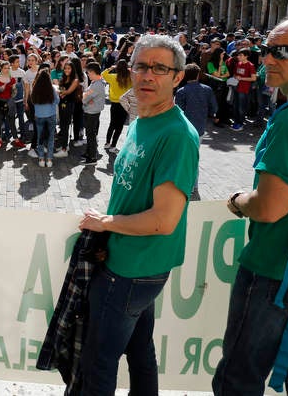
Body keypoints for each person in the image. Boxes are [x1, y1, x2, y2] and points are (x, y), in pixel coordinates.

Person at [78, 35, 199, 394]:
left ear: (177, 77)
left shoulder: (177, 134)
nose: (148, 75)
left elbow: (164, 220)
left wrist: (106, 223)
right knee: (140, 351)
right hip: (133, 264)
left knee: (97, 361)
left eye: (160, 68)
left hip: (131, 270)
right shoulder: (141, 118)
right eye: (141, 66)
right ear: (129, 70)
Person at [213, 19, 288, 394]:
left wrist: (237, 201)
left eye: (283, 51)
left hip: (272, 269)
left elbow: (270, 207)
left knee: (238, 378)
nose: (269, 60)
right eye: (267, 50)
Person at [101, 59, 132, 153]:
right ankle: (113, 145)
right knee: (119, 126)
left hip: (114, 103)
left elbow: (103, 74)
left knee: (112, 124)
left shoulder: (113, 77)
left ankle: (107, 143)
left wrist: (111, 67)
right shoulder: (130, 78)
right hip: (125, 103)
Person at [30, 68, 59, 168]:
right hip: (51, 115)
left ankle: (41, 159)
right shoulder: (52, 89)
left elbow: (33, 101)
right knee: (51, 138)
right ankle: (49, 159)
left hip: (39, 116)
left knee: (40, 138)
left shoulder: (35, 88)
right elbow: (57, 101)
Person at [80, 62, 106, 165]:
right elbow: (86, 94)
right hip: (92, 110)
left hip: (91, 112)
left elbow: (85, 97)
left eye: (89, 73)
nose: (88, 75)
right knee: (90, 134)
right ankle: (89, 153)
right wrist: (86, 95)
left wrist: (85, 96)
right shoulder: (97, 81)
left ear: (93, 72)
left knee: (91, 135)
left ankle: (92, 157)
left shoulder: (96, 84)